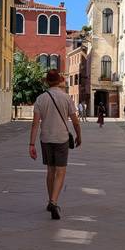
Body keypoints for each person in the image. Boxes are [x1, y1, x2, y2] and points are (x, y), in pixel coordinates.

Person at [29, 69, 81, 220]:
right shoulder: (66, 98)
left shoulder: (40, 99)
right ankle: (54, 201)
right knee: (61, 171)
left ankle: (50, 200)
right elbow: (75, 121)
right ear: (59, 81)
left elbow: (35, 124)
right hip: (61, 138)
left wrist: (31, 144)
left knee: (50, 171)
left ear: (47, 82)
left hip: (46, 138)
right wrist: (79, 135)